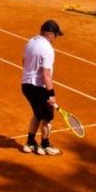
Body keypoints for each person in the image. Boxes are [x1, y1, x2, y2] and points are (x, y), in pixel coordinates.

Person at [21, 19, 64, 156]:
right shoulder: (48, 49)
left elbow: (24, 61)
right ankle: (45, 146)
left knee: (37, 113)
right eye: (55, 35)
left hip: (26, 85)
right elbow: (46, 74)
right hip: (38, 87)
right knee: (48, 117)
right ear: (50, 34)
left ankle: (30, 143)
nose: (55, 39)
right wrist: (51, 93)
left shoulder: (31, 41)